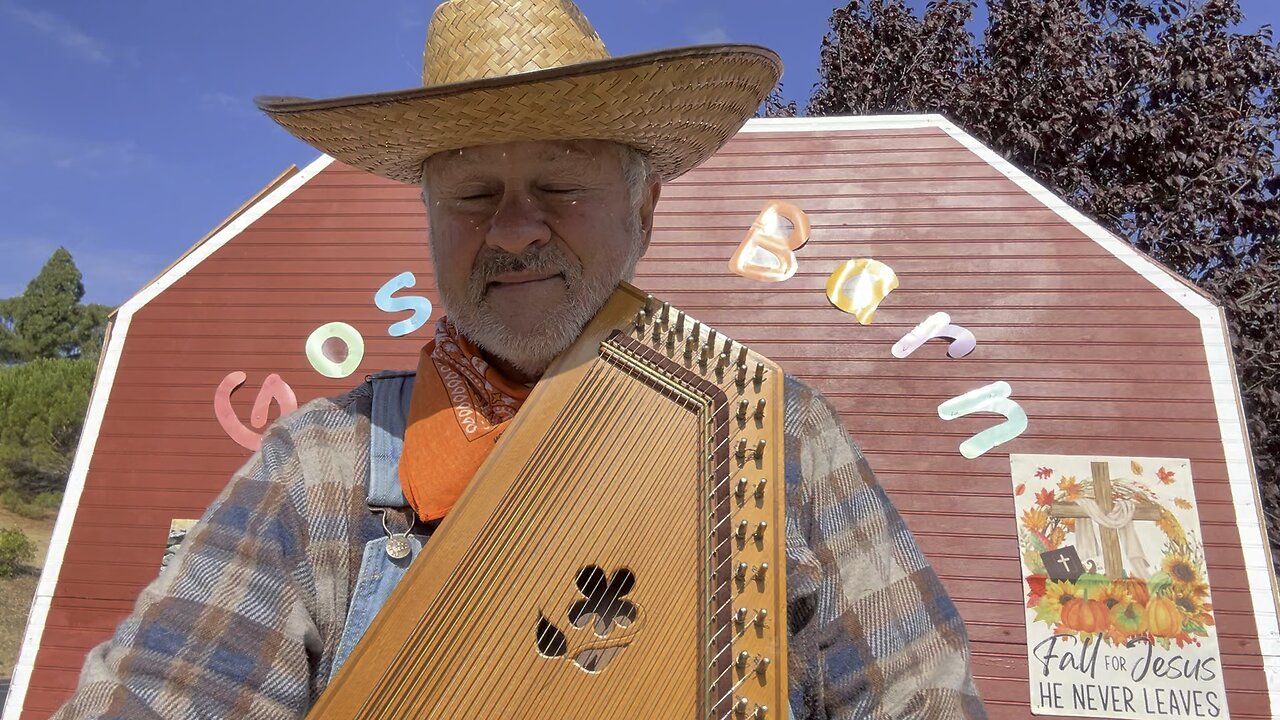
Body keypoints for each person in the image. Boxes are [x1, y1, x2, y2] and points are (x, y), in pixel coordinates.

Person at [52, 1, 987, 718]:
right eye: (471, 193)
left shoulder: (778, 433)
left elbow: (922, 695)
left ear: (645, 210)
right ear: (427, 216)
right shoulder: (321, 467)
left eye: (557, 185)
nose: (513, 228)